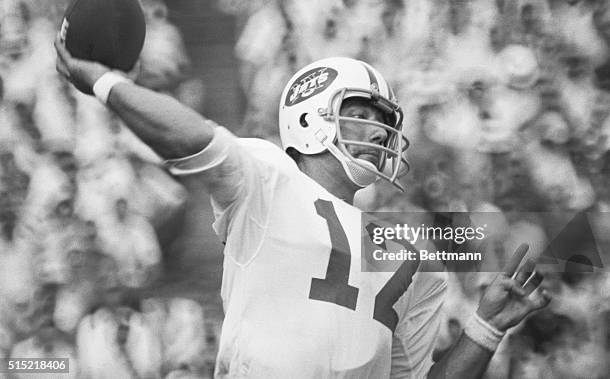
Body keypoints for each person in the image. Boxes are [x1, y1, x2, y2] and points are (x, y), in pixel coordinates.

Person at [55, 37, 551, 378]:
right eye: (361, 115)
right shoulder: (268, 178)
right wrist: (106, 85)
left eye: (384, 120)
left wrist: (485, 329)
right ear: (312, 119)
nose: (380, 131)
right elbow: (191, 137)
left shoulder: (414, 255)